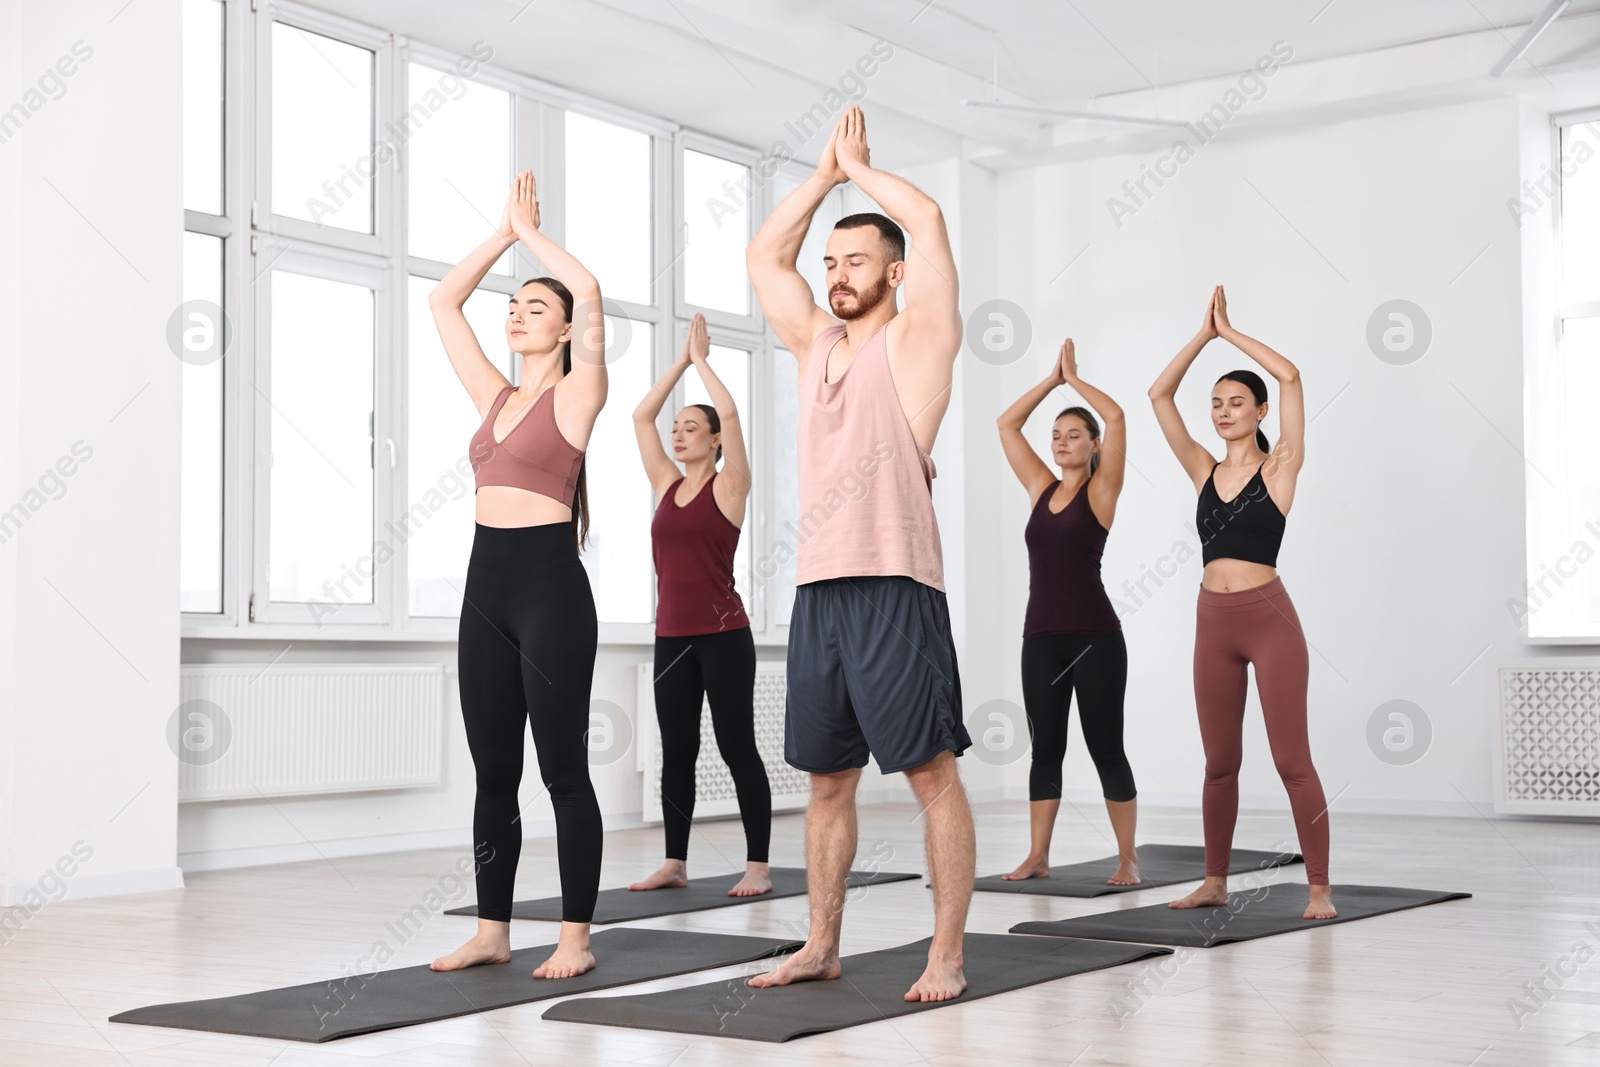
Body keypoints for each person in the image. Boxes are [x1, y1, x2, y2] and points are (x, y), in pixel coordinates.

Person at [744, 106, 973, 1003]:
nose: (836, 276)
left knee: (929, 774)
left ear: (895, 273)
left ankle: (946, 952)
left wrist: (862, 172)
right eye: (831, 263)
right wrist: (820, 178)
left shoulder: (919, 341)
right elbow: (767, 258)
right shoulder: (816, 344)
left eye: (856, 262)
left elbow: (930, 222)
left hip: (895, 584)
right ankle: (821, 944)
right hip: (820, 590)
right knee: (826, 780)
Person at [427, 171, 609, 977]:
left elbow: (593, 289)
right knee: (493, 770)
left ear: (565, 330)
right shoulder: (493, 396)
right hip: (485, 591)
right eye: (513, 307)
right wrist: (501, 234)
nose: (516, 315)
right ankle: (492, 928)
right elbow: (442, 302)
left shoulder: (576, 395)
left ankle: (576, 935)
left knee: (561, 767)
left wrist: (535, 238)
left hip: (549, 594)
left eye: (536, 307)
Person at [1148, 285, 1334, 920]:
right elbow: (1157, 397)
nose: (1223, 412)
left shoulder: (1280, 466)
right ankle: (1214, 881)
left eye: (1236, 403)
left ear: (1259, 412)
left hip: (1269, 620)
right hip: (1212, 623)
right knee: (1220, 762)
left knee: (1291, 761)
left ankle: (1318, 889)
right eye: (1217, 404)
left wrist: (1229, 333)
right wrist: (1201, 339)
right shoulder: (1201, 469)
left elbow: (1291, 375)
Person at [627, 312, 774, 898]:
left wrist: (705, 363)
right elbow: (640, 415)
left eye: (692, 427)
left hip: (723, 635)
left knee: (737, 745)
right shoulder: (665, 485)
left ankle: (758, 866)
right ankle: (674, 861)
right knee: (677, 751)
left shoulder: (729, 484)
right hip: (672, 637)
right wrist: (679, 364)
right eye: (679, 426)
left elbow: (732, 415)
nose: (679, 433)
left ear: (714, 440)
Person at [995, 338, 1138, 885]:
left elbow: (1120, 416)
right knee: (1045, 747)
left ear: (1094, 444)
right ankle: (1038, 855)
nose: (1060, 443)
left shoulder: (1102, 490)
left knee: (1106, 747)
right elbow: (1007, 425)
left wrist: (1075, 380)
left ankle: (1128, 858)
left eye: (1073, 435)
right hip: (1041, 637)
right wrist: (1050, 383)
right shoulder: (1040, 486)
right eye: (1055, 436)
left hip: (1095, 637)